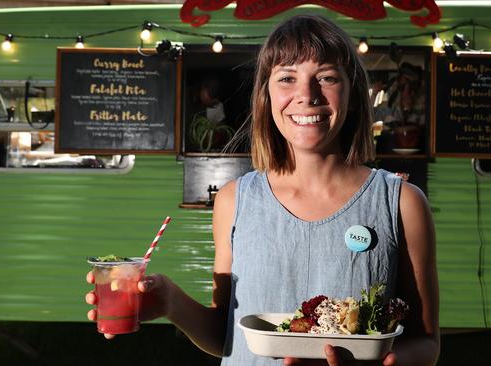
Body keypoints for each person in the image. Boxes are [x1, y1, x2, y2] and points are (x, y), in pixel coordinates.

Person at [86, 14, 439, 366]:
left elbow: (425, 343)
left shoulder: (401, 203)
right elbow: (226, 334)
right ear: (266, 96)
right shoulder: (234, 200)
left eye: (327, 77)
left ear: (354, 94)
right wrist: (169, 302)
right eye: (287, 78)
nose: (306, 95)